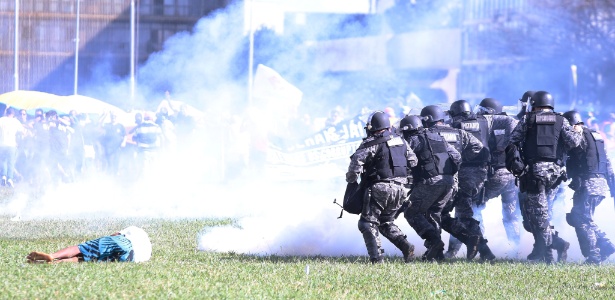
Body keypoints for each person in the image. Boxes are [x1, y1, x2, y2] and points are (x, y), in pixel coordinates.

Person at [508, 91, 583, 263]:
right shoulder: (561, 120)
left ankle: (556, 244)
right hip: (555, 174)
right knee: (544, 212)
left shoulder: (528, 119)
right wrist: (577, 130)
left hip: (536, 173)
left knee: (537, 215)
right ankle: (547, 254)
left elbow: (513, 139)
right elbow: (574, 142)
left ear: (534, 104)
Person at [416, 106, 496, 261]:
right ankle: (484, 250)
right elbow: (480, 150)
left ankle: (437, 253)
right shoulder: (459, 133)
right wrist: (464, 164)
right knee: (465, 214)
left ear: (427, 119)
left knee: (434, 213)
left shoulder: (428, 134)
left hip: (440, 181)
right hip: (461, 180)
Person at [346, 111, 417, 263]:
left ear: (373, 127)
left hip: (380, 188)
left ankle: (377, 260)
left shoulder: (371, 143)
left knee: (367, 223)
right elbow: (414, 161)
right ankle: (405, 246)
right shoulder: (401, 141)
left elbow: (355, 167)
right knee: (385, 222)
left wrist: (351, 182)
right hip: (401, 189)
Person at [398, 112, 461, 261]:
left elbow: (403, 160)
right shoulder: (438, 137)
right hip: (449, 182)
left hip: (430, 182)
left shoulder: (412, 140)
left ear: (408, 129)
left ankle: (434, 242)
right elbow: (457, 157)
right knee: (433, 214)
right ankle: (437, 254)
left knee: (411, 213)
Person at [563, 110, 615, 264]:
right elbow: (608, 163)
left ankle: (597, 252)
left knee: (582, 219)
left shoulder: (578, 135)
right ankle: (600, 250)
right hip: (600, 183)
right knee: (577, 217)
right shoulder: (596, 136)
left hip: (588, 183)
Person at [444, 100, 492, 258]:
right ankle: (456, 250)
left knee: (464, 214)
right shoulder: (483, 121)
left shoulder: (455, 124)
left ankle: (483, 249)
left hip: (464, 173)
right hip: (481, 173)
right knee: (466, 211)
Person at [474, 98, 522, 255]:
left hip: (495, 173)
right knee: (511, 212)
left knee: (475, 206)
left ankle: (480, 245)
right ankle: (515, 247)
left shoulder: (486, 122)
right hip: (512, 174)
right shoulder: (512, 122)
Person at [26, 226, 152, 263]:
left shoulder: (134, 230)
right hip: (130, 258)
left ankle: (53, 256)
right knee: (86, 259)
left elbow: (115, 235)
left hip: (124, 242)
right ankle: (54, 263)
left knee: (82, 248)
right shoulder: (147, 251)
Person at [0, 107, 27, 187]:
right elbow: (22, 131)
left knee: (3, 161)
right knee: (10, 162)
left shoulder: (1, 120)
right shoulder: (16, 121)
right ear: (13, 114)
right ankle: (10, 179)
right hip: (12, 144)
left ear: (6, 112)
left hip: (2, 144)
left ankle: (3, 176)